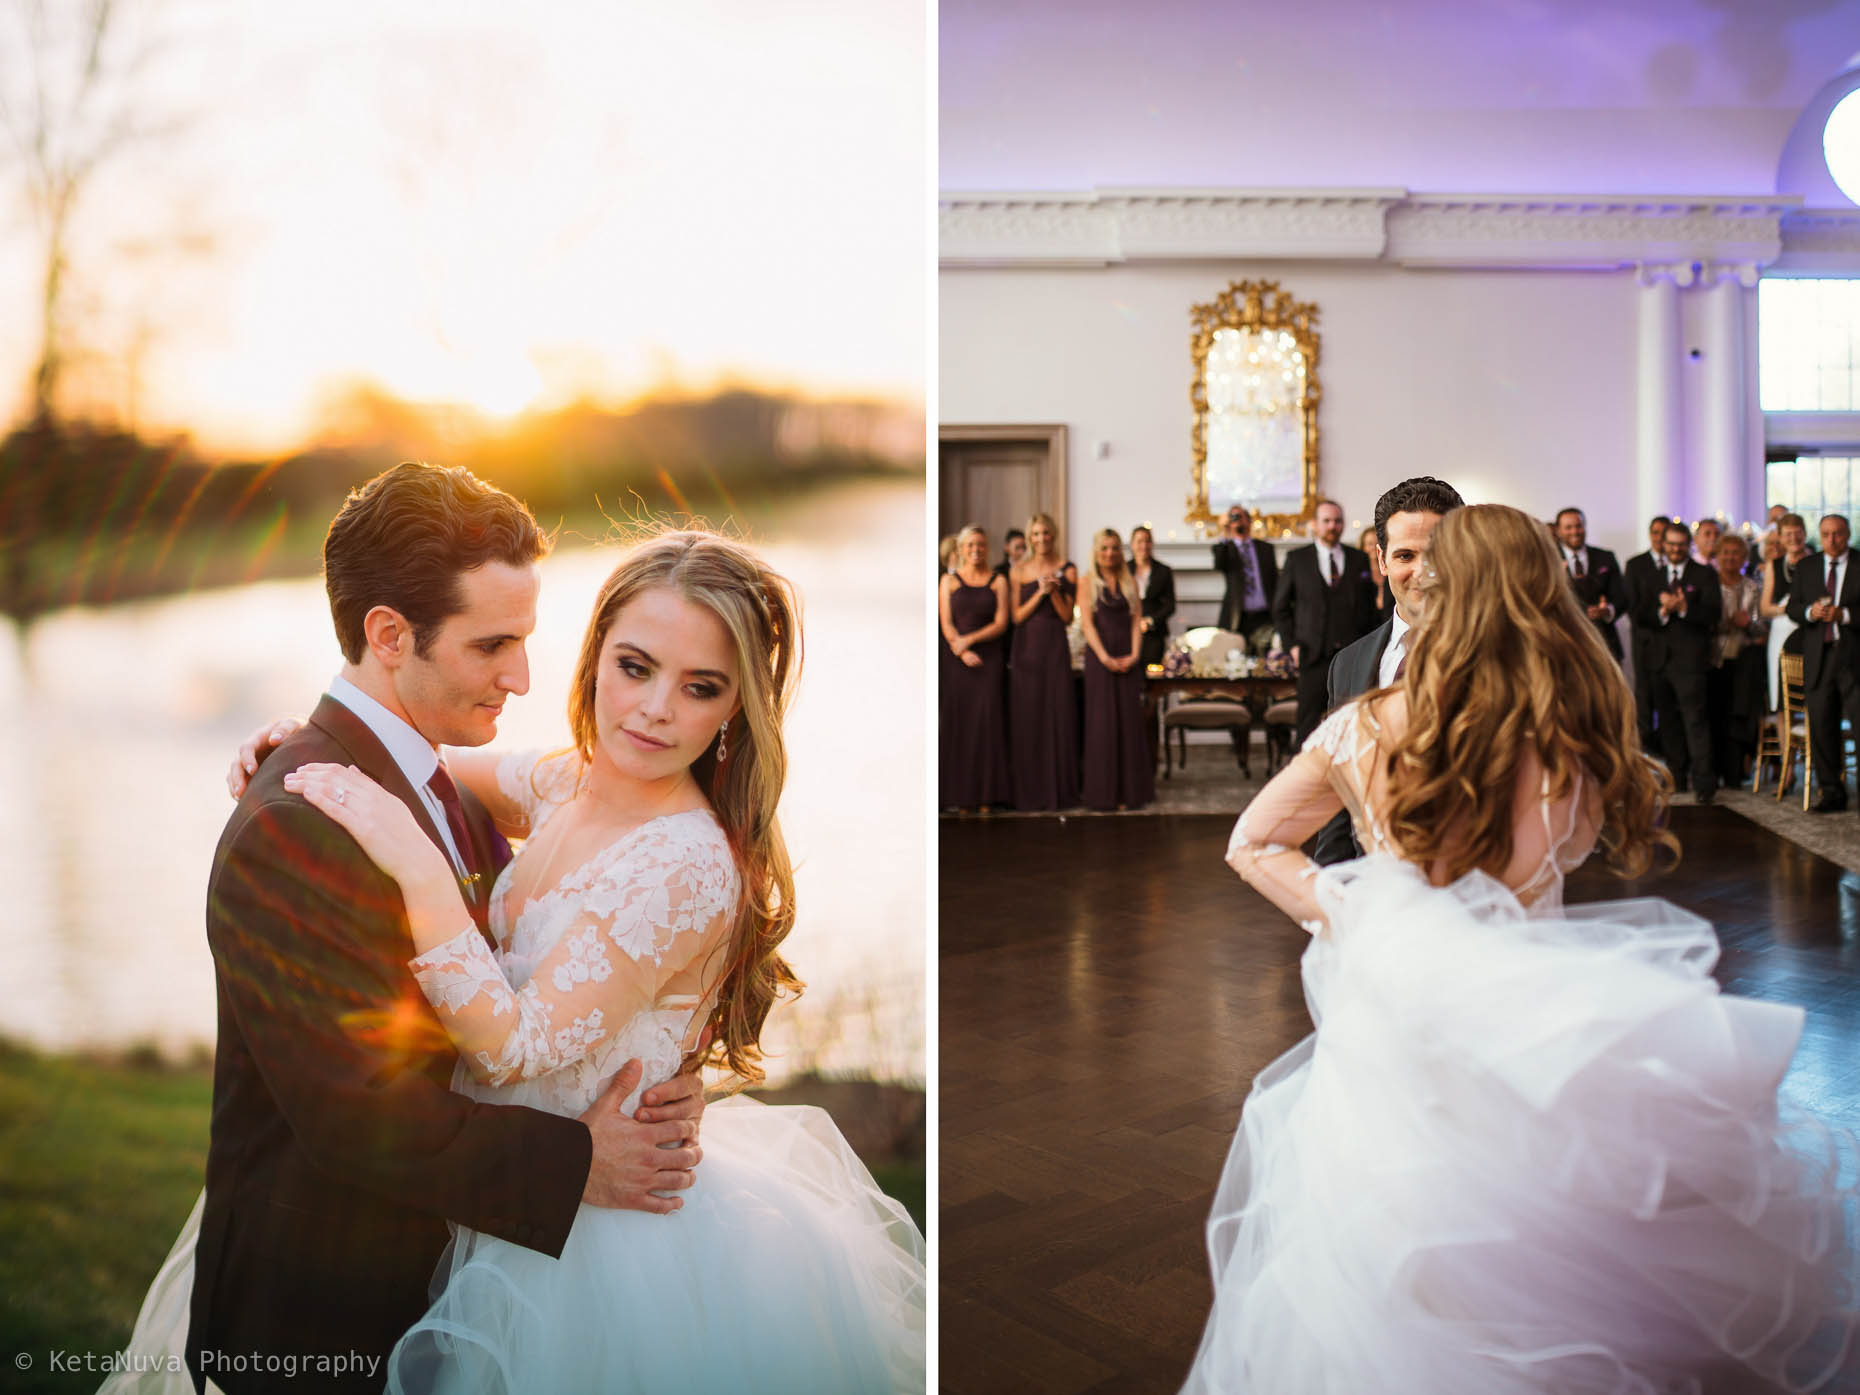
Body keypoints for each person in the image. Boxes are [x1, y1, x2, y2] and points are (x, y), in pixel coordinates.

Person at [228, 528, 926, 1392]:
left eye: (700, 687)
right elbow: (430, 774)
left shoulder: (687, 866)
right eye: (636, 666)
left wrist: (415, 865)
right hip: (496, 1200)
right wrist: (311, 744)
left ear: (735, 709)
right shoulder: (569, 780)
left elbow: (511, 1047)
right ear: (596, 657)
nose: (656, 708)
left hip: (595, 1250)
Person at [1187, 503, 1856, 1394]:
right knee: (1565, 1264)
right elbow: (1571, 851)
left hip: (1398, 1022)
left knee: (1389, 1260)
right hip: (1544, 1021)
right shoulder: (1569, 723)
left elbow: (1251, 843)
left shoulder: (1363, 725)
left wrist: (1364, 914)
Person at [114, 464, 710, 1395]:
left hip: (440, 1283)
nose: (521, 674)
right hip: (325, 1319)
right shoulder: (297, 826)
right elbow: (355, 1112)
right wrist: (581, 1162)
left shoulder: (431, 778)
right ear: (389, 635)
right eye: (493, 645)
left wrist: (652, 1056)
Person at [1312, 476, 1464, 867]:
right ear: (1382, 560)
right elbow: (1338, 793)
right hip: (1374, 891)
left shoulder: (1497, 652)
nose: (1423, 571)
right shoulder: (1348, 664)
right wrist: (1340, 897)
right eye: (1405, 556)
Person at [1270, 498, 1378, 746]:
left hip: (1353, 655)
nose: (1333, 526)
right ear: (1314, 525)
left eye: (1337, 521)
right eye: (1327, 521)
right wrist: (1292, 645)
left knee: (1353, 722)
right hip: (1312, 655)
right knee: (1307, 725)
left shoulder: (1358, 559)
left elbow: (1369, 608)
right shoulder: (1297, 560)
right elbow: (1280, 608)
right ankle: (1306, 782)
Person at [1636, 520, 1722, 804]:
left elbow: (1713, 615)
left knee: (1696, 722)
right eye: (1670, 544)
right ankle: (1677, 778)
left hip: (1690, 662)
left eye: (1680, 545)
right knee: (1669, 724)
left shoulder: (1705, 574)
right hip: (1659, 661)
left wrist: (1685, 608)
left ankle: (1704, 783)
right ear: (1664, 545)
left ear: (1689, 545)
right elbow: (1641, 616)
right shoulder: (1653, 575)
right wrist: (1663, 610)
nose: (1674, 549)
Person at [1787, 514, 1860, 815]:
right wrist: (1809, 611)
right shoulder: (1806, 566)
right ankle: (1831, 793)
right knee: (1822, 725)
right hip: (1819, 655)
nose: (1832, 540)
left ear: (1848, 534)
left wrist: (1844, 615)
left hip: (1854, 656)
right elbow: (1792, 608)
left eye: (1838, 534)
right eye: (1826, 534)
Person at [1010, 511, 1081, 810]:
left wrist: (1053, 593)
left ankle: (1060, 791)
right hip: (1027, 648)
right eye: (1036, 534)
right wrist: (1040, 593)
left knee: (1058, 714)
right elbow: (1016, 616)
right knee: (1030, 717)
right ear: (1030, 538)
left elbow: (1066, 617)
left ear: (1054, 535)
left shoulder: (1068, 569)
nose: (1042, 538)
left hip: (1054, 646)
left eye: (1046, 533)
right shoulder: (1018, 570)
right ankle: (1029, 791)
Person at [1079, 528, 1153, 811]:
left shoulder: (1129, 580)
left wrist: (1135, 653)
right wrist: (1105, 657)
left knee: (1129, 722)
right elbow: (1087, 625)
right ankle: (1104, 792)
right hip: (1101, 659)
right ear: (1096, 553)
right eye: (1104, 549)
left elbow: (1137, 620)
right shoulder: (1087, 582)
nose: (1109, 554)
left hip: (1128, 656)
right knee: (1103, 724)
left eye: (1113, 548)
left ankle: (1130, 791)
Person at [940, 525, 1012, 812]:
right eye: (970, 545)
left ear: (987, 548)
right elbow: (946, 622)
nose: (976, 550)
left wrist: (969, 641)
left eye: (981, 545)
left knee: (987, 724)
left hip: (988, 658)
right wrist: (960, 649)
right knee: (961, 723)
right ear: (961, 549)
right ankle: (960, 795)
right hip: (958, 661)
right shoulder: (949, 582)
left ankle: (987, 795)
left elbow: (1001, 622)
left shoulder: (999, 581)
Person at [1706, 532, 1767, 788]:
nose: (1730, 558)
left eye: (1736, 553)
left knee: (1738, 718)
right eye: (1725, 552)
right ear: (1717, 556)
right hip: (1711, 661)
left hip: (1743, 662)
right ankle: (1712, 771)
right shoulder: (1708, 585)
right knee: (1712, 716)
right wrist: (1727, 623)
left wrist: (1749, 624)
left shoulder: (1753, 587)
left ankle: (1735, 773)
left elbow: (1762, 628)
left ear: (1744, 557)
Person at [1623, 513, 1673, 750]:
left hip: (1672, 643)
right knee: (1644, 696)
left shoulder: (1678, 565)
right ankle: (1644, 749)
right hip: (1644, 640)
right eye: (1655, 533)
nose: (1660, 538)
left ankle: (1667, 745)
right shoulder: (1636, 564)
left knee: (1668, 700)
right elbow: (1631, 605)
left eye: (1664, 534)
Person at [1552, 506, 1626, 662]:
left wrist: (1607, 610)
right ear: (1558, 531)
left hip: (1604, 642)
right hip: (1565, 644)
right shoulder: (1550, 559)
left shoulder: (1605, 557)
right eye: (1568, 527)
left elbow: (1621, 597)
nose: (1575, 532)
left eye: (1578, 526)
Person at [1210, 504, 1278, 651]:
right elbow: (1219, 565)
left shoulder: (1265, 549)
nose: (1237, 521)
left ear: (1249, 521)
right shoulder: (1225, 548)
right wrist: (1225, 530)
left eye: (1240, 516)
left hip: (1264, 616)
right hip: (1237, 617)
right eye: (1233, 517)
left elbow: (1275, 581)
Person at [1761, 511, 1810, 710]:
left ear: (1805, 534)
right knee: (1782, 698)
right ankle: (1785, 742)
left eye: (1797, 533)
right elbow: (1764, 608)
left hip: (1809, 630)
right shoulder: (1774, 565)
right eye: (1788, 534)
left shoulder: (1816, 560)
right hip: (1782, 633)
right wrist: (1788, 609)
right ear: (1780, 538)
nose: (1793, 539)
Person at [1130, 524, 1176, 669]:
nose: (1144, 545)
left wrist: (1149, 621)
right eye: (1139, 541)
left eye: (1147, 541)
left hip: (1155, 634)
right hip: (1129, 632)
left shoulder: (1164, 571)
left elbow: (1170, 605)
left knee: (1153, 675)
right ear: (1132, 544)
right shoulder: (1124, 570)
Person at [1358, 525, 1386, 612]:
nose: (1374, 547)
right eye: (1370, 544)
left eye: (1378, 543)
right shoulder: (1356, 573)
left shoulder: (1391, 570)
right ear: (1363, 547)